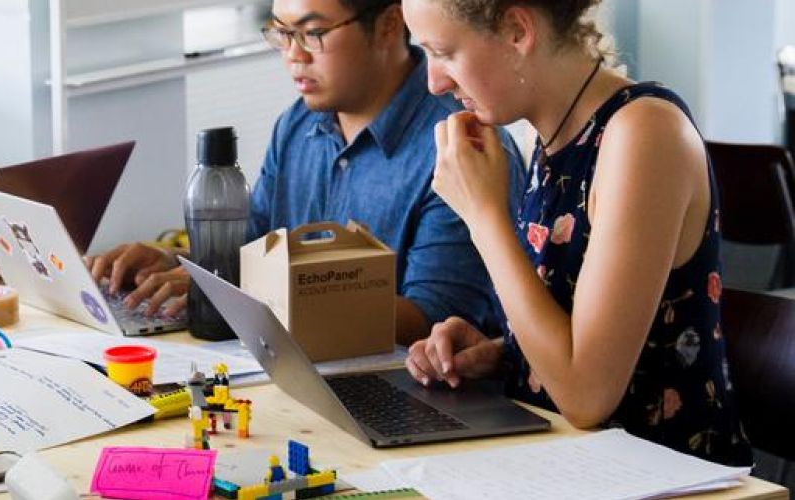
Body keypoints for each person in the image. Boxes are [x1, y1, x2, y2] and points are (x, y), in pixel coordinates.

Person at [400, 0, 751, 465]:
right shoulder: (550, 136)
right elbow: (596, 332)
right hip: (572, 463)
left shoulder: (644, 133)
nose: (434, 81)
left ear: (516, 31)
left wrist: (483, 216)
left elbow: (588, 397)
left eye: (442, 52)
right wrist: (506, 353)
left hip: (670, 476)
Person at [88, 0, 525, 344]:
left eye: (313, 34)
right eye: (282, 33)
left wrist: (262, 297)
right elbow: (255, 245)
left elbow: (436, 316)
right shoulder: (297, 125)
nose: (293, 56)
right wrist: (176, 265)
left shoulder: (458, 146)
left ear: (390, 25)